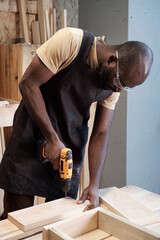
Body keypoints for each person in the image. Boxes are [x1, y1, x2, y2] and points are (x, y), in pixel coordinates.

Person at [0, 27, 153, 220]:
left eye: (126, 87)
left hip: (69, 143)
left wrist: (94, 184)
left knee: (59, 219)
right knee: (15, 218)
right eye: (120, 82)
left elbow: (101, 131)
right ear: (112, 60)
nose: (119, 90)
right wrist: (52, 138)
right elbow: (28, 84)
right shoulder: (71, 42)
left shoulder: (114, 83)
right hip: (31, 133)